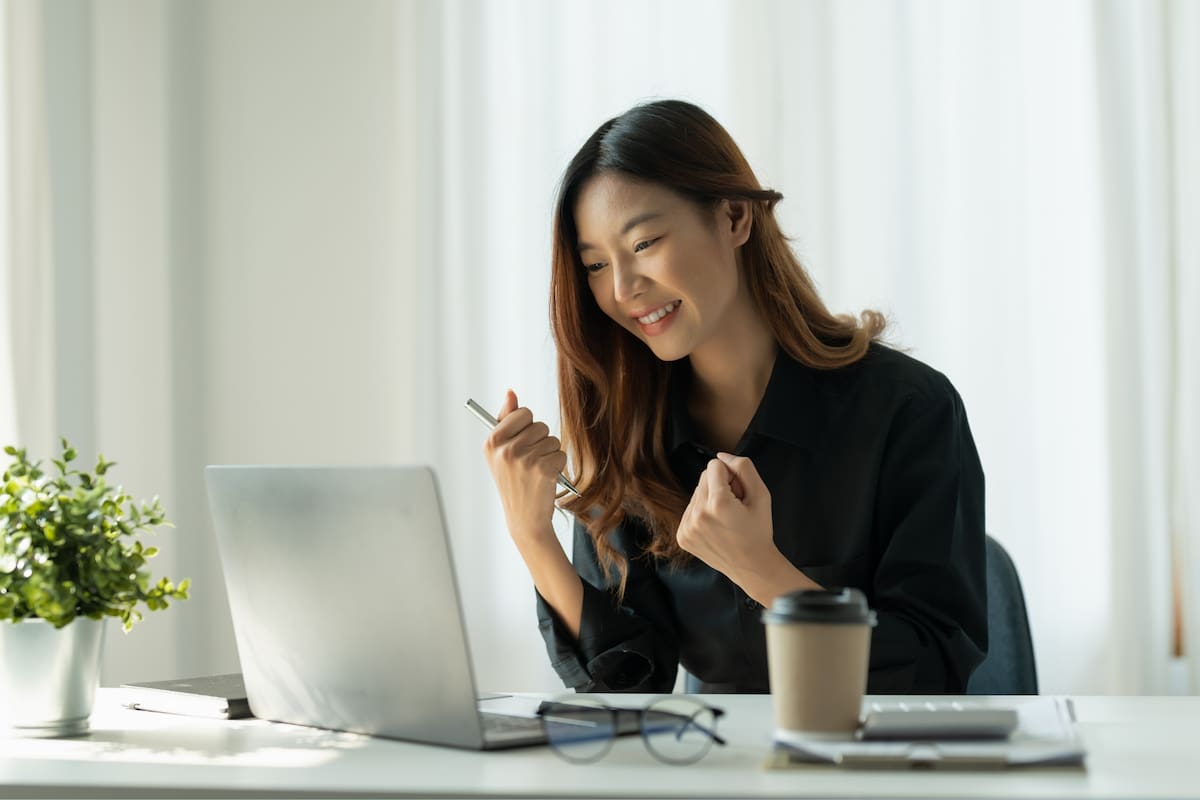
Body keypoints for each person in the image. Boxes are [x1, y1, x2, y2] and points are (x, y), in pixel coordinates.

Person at [482, 99, 987, 694]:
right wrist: (532, 537)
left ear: (734, 218)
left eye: (644, 244)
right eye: (595, 264)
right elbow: (629, 685)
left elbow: (932, 668)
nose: (622, 288)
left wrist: (763, 572)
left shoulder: (909, 409)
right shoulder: (627, 433)